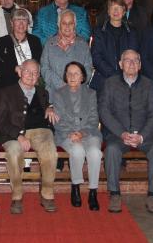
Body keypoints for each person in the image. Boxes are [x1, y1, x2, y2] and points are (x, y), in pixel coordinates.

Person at [99, 50, 153, 214]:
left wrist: (142, 136)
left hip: (144, 135)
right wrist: (122, 133)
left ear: (140, 65)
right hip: (118, 135)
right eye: (127, 60)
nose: (132, 63)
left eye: (136, 60)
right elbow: (104, 111)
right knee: (111, 150)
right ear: (120, 64)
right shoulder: (110, 83)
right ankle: (114, 194)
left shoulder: (149, 85)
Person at [0, 59, 59, 214]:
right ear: (19, 71)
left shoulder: (42, 91)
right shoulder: (6, 92)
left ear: (39, 75)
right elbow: (0, 121)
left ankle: (47, 194)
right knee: (14, 152)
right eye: (27, 71)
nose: (31, 75)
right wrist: (18, 135)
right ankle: (17, 196)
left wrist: (50, 108)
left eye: (35, 72)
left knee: (50, 152)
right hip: (13, 132)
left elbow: (47, 105)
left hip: (40, 131)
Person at [51, 61, 102, 211]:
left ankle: (93, 192)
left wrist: (82, 132)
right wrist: (70, 133)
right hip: (66, 134)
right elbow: (57, 120)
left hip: (89, 132)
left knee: (95, 152)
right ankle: (76, 187)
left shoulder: (91, 93)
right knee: (77, 150)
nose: (72, 76)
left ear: (82, 77)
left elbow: (94, 118)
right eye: (69, 73)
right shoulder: (58, 94)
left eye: (76, 73)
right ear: (65, 76)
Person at [90, 0, 139, 91]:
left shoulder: (131, 32)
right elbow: (96, 57)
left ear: (124, 11)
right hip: (104, 80)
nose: (115, 10)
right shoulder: (99, 31)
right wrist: (114, 76)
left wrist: (124, 77)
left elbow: (133, 56)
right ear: (108, 11)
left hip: (127, 80)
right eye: (112, 7)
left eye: (119, 7)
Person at [40, 9, 93, 94]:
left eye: (70, 23)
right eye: (64, 23)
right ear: (58, 24)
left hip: (78, 94)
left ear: (75, 25)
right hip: (54, 94)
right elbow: (44, 68)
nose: (67, 26)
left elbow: (88, 69)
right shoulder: (49, 44)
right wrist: (62, 85)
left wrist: (75, 85)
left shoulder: (83, 44)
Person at [0, 8, 42, 88]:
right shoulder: (3, 41)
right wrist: (14, 68)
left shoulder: (35, 41)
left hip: (32, 84)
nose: (21, 23)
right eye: (17, 19)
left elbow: (40, 63)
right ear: (11, 23)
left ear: (28, 23)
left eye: (24, 20)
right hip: (10, 85)